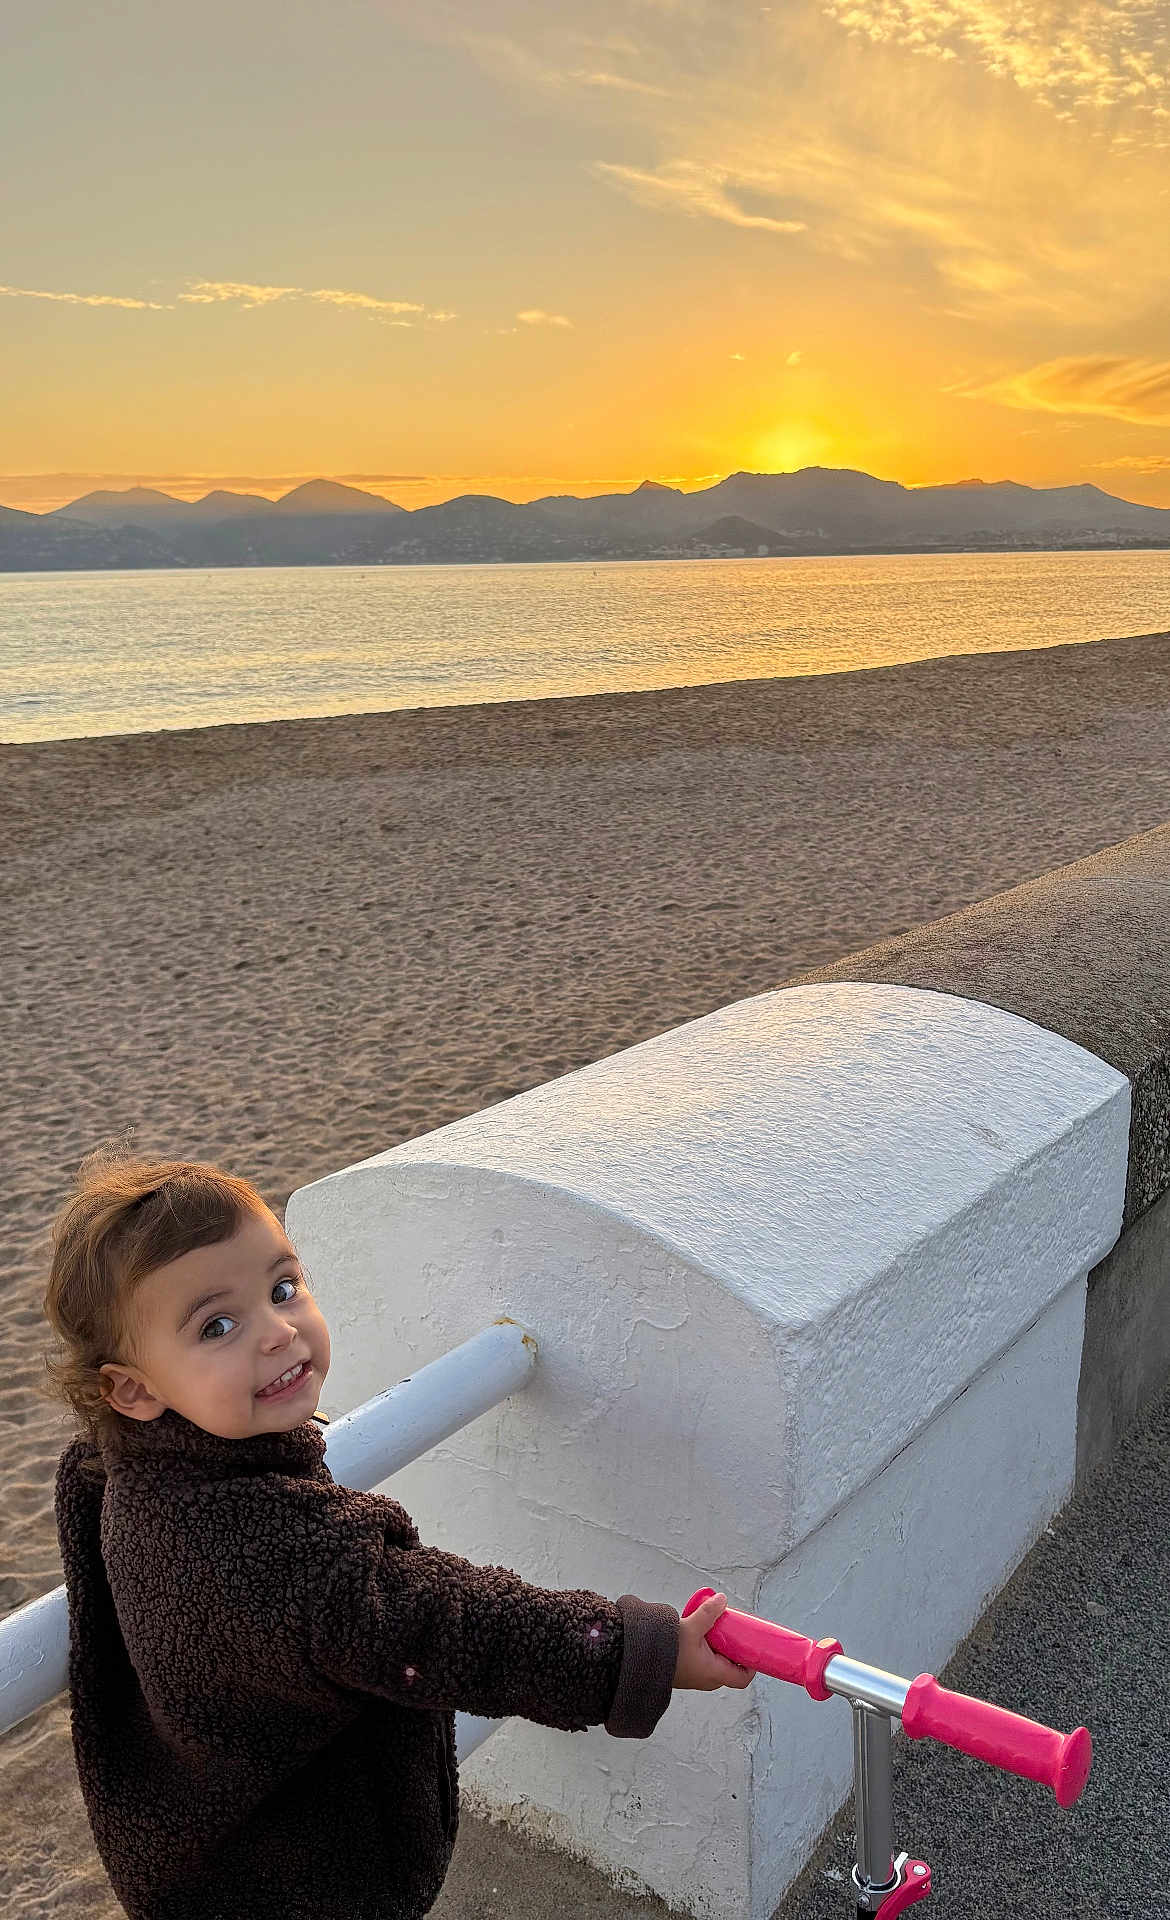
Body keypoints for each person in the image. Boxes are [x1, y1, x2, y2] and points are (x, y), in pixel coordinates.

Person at [43, 1150, 754, 1920]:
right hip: (305, 1885)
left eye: (283, 1287)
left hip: (200, 1863)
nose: (279, 1332)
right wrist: (639, 1652)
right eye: (217, 1325)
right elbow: (448, 1624)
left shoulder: (118, 1472)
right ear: (134, 1390)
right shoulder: (281, 1551)